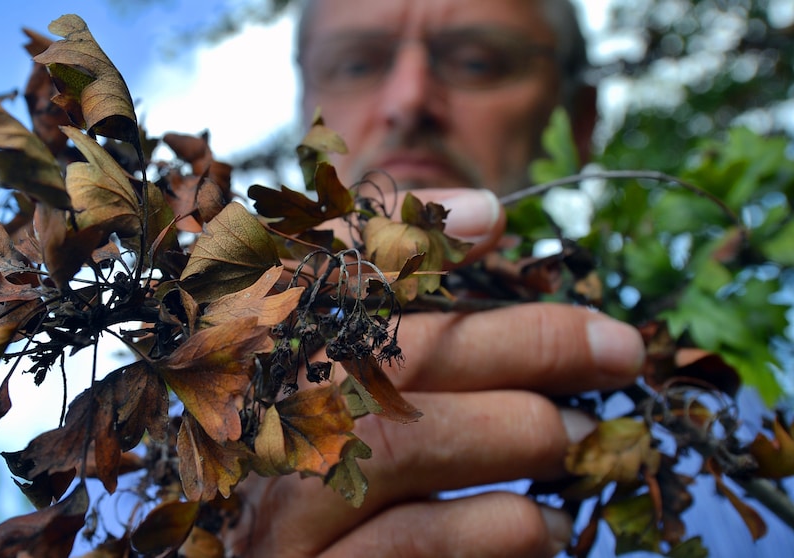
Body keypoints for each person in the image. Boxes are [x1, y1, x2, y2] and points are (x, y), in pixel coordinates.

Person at [229, 0, 647, 556]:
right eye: (356, 64)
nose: (409, 100)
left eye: (478, 62)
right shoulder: (186, 444)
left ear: (580, 120)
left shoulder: (708, 437)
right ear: (307, 110)